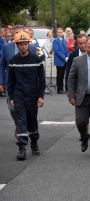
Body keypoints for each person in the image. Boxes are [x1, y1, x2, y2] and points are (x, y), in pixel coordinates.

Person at [7, 31, 46, 160]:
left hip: (33, 95)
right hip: (19, 95)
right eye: (21, 44)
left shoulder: (36, 59)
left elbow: (42, 80)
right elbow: (11, 81)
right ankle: (22, 147)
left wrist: (41, 96)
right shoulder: (13, 61)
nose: (23, 46)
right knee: (21, 121)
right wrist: (12, 97)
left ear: (29, 44)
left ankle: (34, 142)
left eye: (25, 44)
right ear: (17, 46)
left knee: (32, 121)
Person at [0, 25, 37, 139]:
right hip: (11, 84)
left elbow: (37, 68)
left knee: (27, 110)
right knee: (12, 109)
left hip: (27, 86)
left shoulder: (31, 48)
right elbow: (2, 66)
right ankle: (19, 123)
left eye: (21, 33)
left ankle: (22, 126)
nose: (20, 36)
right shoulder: (7, 47)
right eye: (17, 33)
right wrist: (1, 82)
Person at [52, 28, 69, 94]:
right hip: (60, 60)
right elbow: (57, 51)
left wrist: (67, 56)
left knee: (63, 75)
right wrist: (64, 58)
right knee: (59, 75)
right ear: (57, 33)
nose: (60, 33)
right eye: (59, 32)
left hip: (65, 59)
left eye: (61, 32)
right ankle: (59, 88)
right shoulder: (55, 41)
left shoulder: (64, 40)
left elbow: (66, 49)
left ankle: (62, 88)